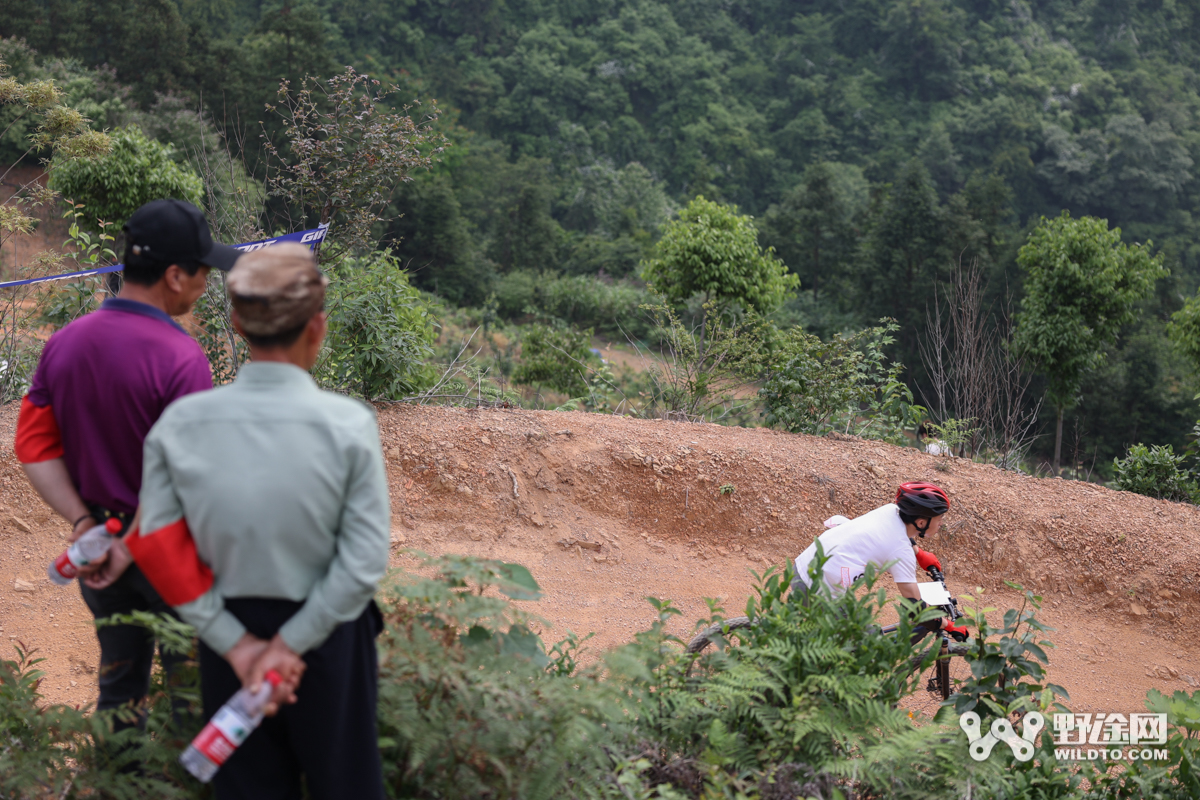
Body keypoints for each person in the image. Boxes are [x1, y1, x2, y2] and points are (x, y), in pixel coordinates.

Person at [126, 242, 390, 799]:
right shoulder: (347, 425)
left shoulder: (182, 424)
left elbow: (153, 539)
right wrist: (290, 646)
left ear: (235, 323)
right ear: (317, 326)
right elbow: (363, 561)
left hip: (229, 638)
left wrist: (240, 645)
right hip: (331, 635)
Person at [15, 199, 240, 732]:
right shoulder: (181, 358)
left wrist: (85, 522)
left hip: (98, 557)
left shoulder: (64, 344)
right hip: (170, 557)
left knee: (120, 688)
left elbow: (34, 446)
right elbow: (191, 478)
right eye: (204, 271)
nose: (207, 284)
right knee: (191, 695)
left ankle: (118, 786)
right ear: (174, 275)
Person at [791, 481, 969, 643]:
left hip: (804, 567)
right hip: (816, 589)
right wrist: (949, 626)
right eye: (940, 519)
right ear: (921, 522)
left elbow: (894, 533)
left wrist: (919, 553)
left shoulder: (891, 510)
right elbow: (915, 607)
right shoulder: (900, 549)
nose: (941, 524)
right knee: (872, 649)